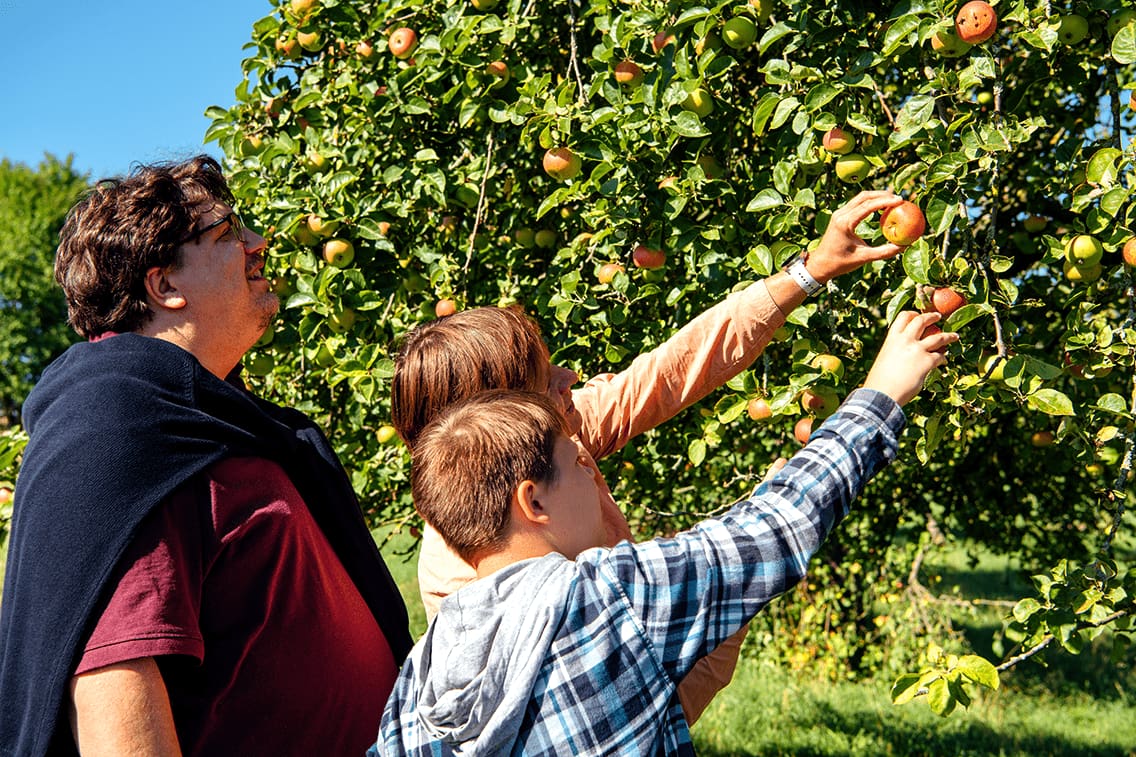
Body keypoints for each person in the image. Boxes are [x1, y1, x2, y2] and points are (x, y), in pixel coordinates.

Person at [390, 190, 912, 722]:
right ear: (497, 425)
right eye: (546, 380)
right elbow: (643, 709)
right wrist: (743, 562)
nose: (572, 377)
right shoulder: (474, 581)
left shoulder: (554, 441)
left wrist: (811, 270)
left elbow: (670, 370)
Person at [376, 310, 956, 755]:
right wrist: (881, 395)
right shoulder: (611, 596)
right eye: (577, 464)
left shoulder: (417, 681)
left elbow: (661, 376)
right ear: (532, 500)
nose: (591, 468)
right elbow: (776, 528)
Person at [0, 155, 413, 756]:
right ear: (165, 286)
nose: (258, 243)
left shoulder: (204, 427)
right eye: (227, 235)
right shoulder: (119, 432)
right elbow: (114, 682)